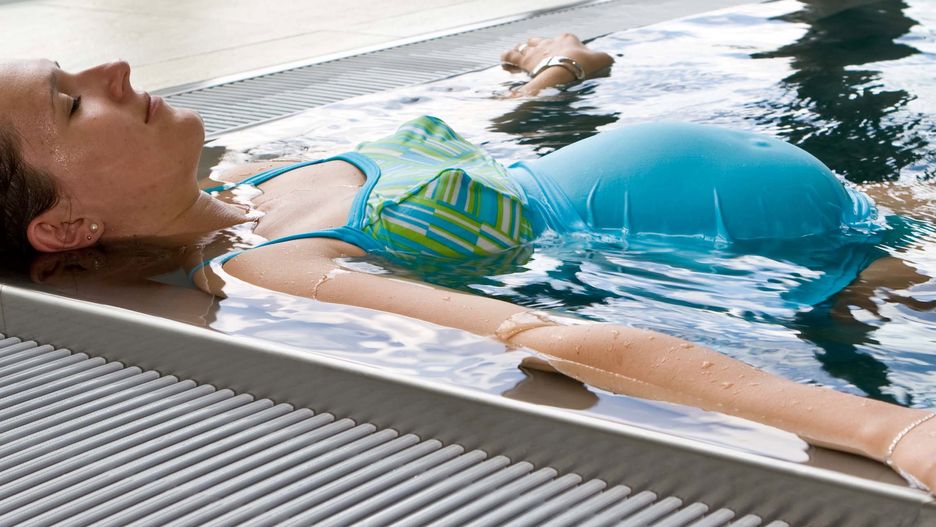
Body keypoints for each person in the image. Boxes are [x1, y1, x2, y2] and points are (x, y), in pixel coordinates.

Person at [1, 33, 933, 492]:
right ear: (67, 226)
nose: (113, 72)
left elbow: (467, 152)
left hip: (859, 202)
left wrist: (557, 70)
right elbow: (549, 336)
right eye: (73, 104)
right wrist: (888, 430)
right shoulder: (270, 269)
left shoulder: (250, 176)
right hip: (824, 258)